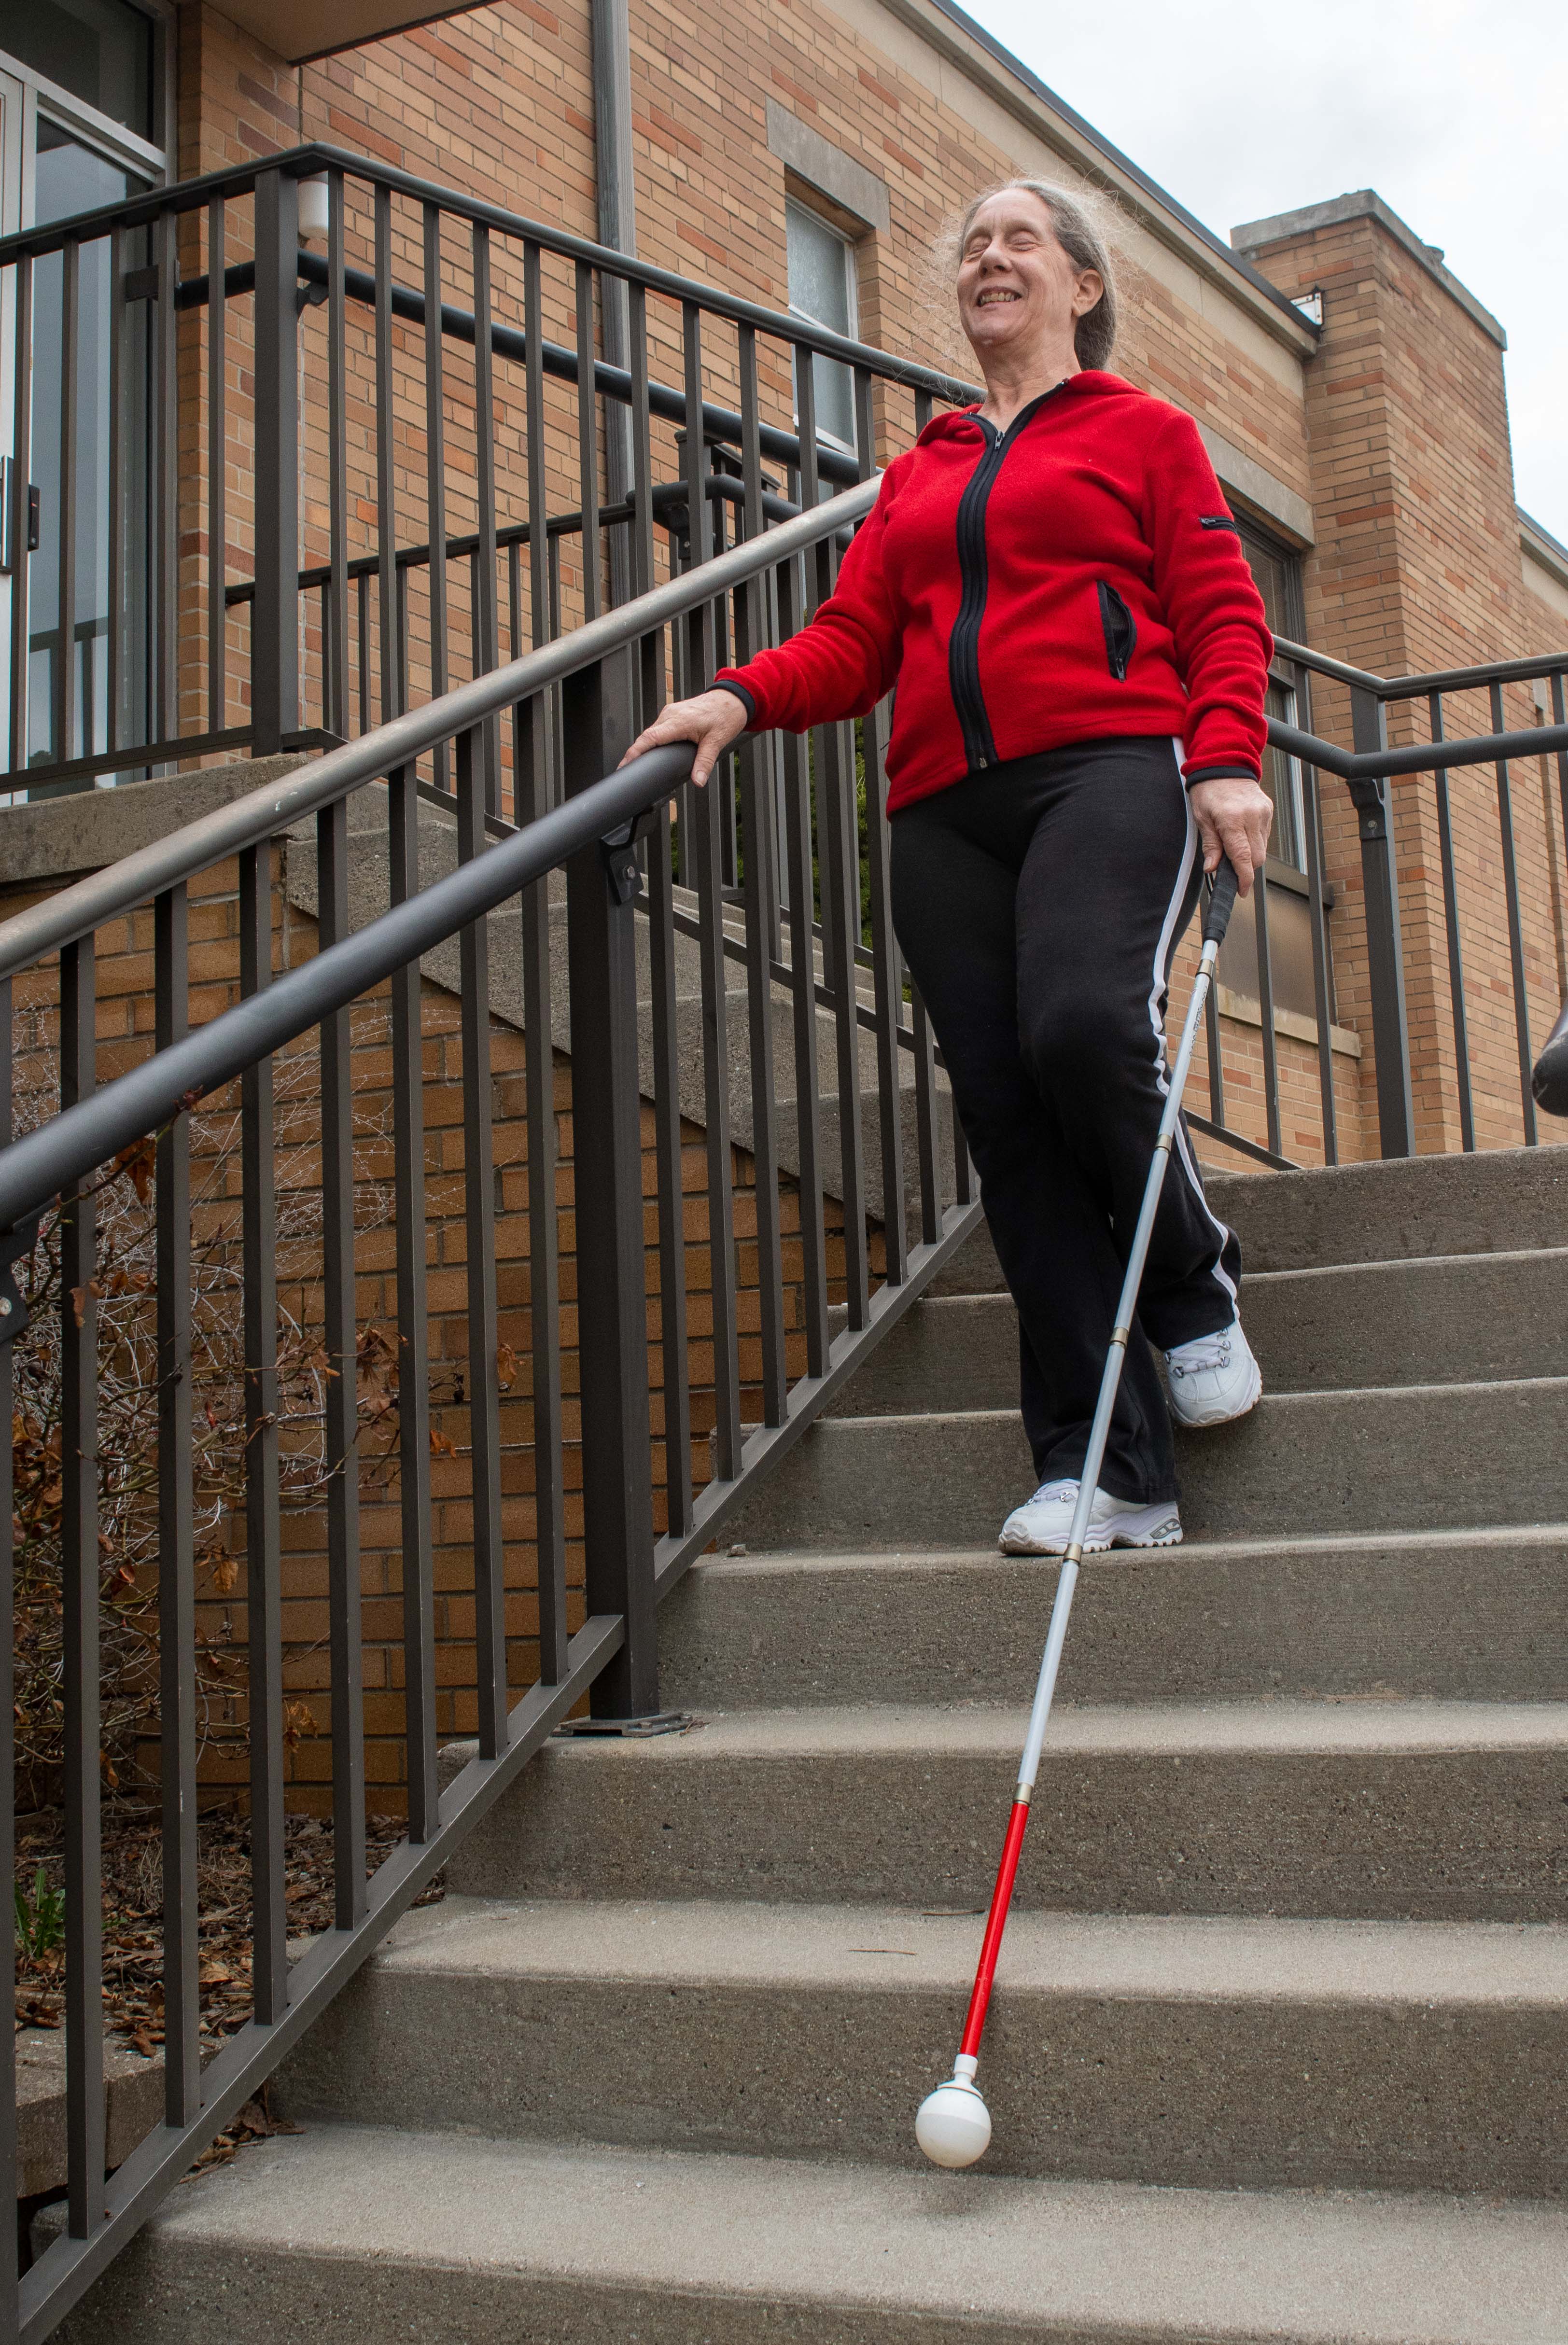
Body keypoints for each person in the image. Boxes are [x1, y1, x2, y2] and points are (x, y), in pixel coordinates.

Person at [620, 178, 1275, 1556]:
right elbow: (857, 640)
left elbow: (1216, 602)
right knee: (1009, 1123)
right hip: (941, 814)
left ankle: (1193, 1277)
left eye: (1019, 239)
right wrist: (736, 698)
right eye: (973, 244)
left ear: (1080, 285)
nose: (990, 258)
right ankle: (1110, 1472)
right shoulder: (917, 473)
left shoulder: (1147, 432)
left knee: (1085, 1026)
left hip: (1106, 765)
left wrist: (1225, 757)